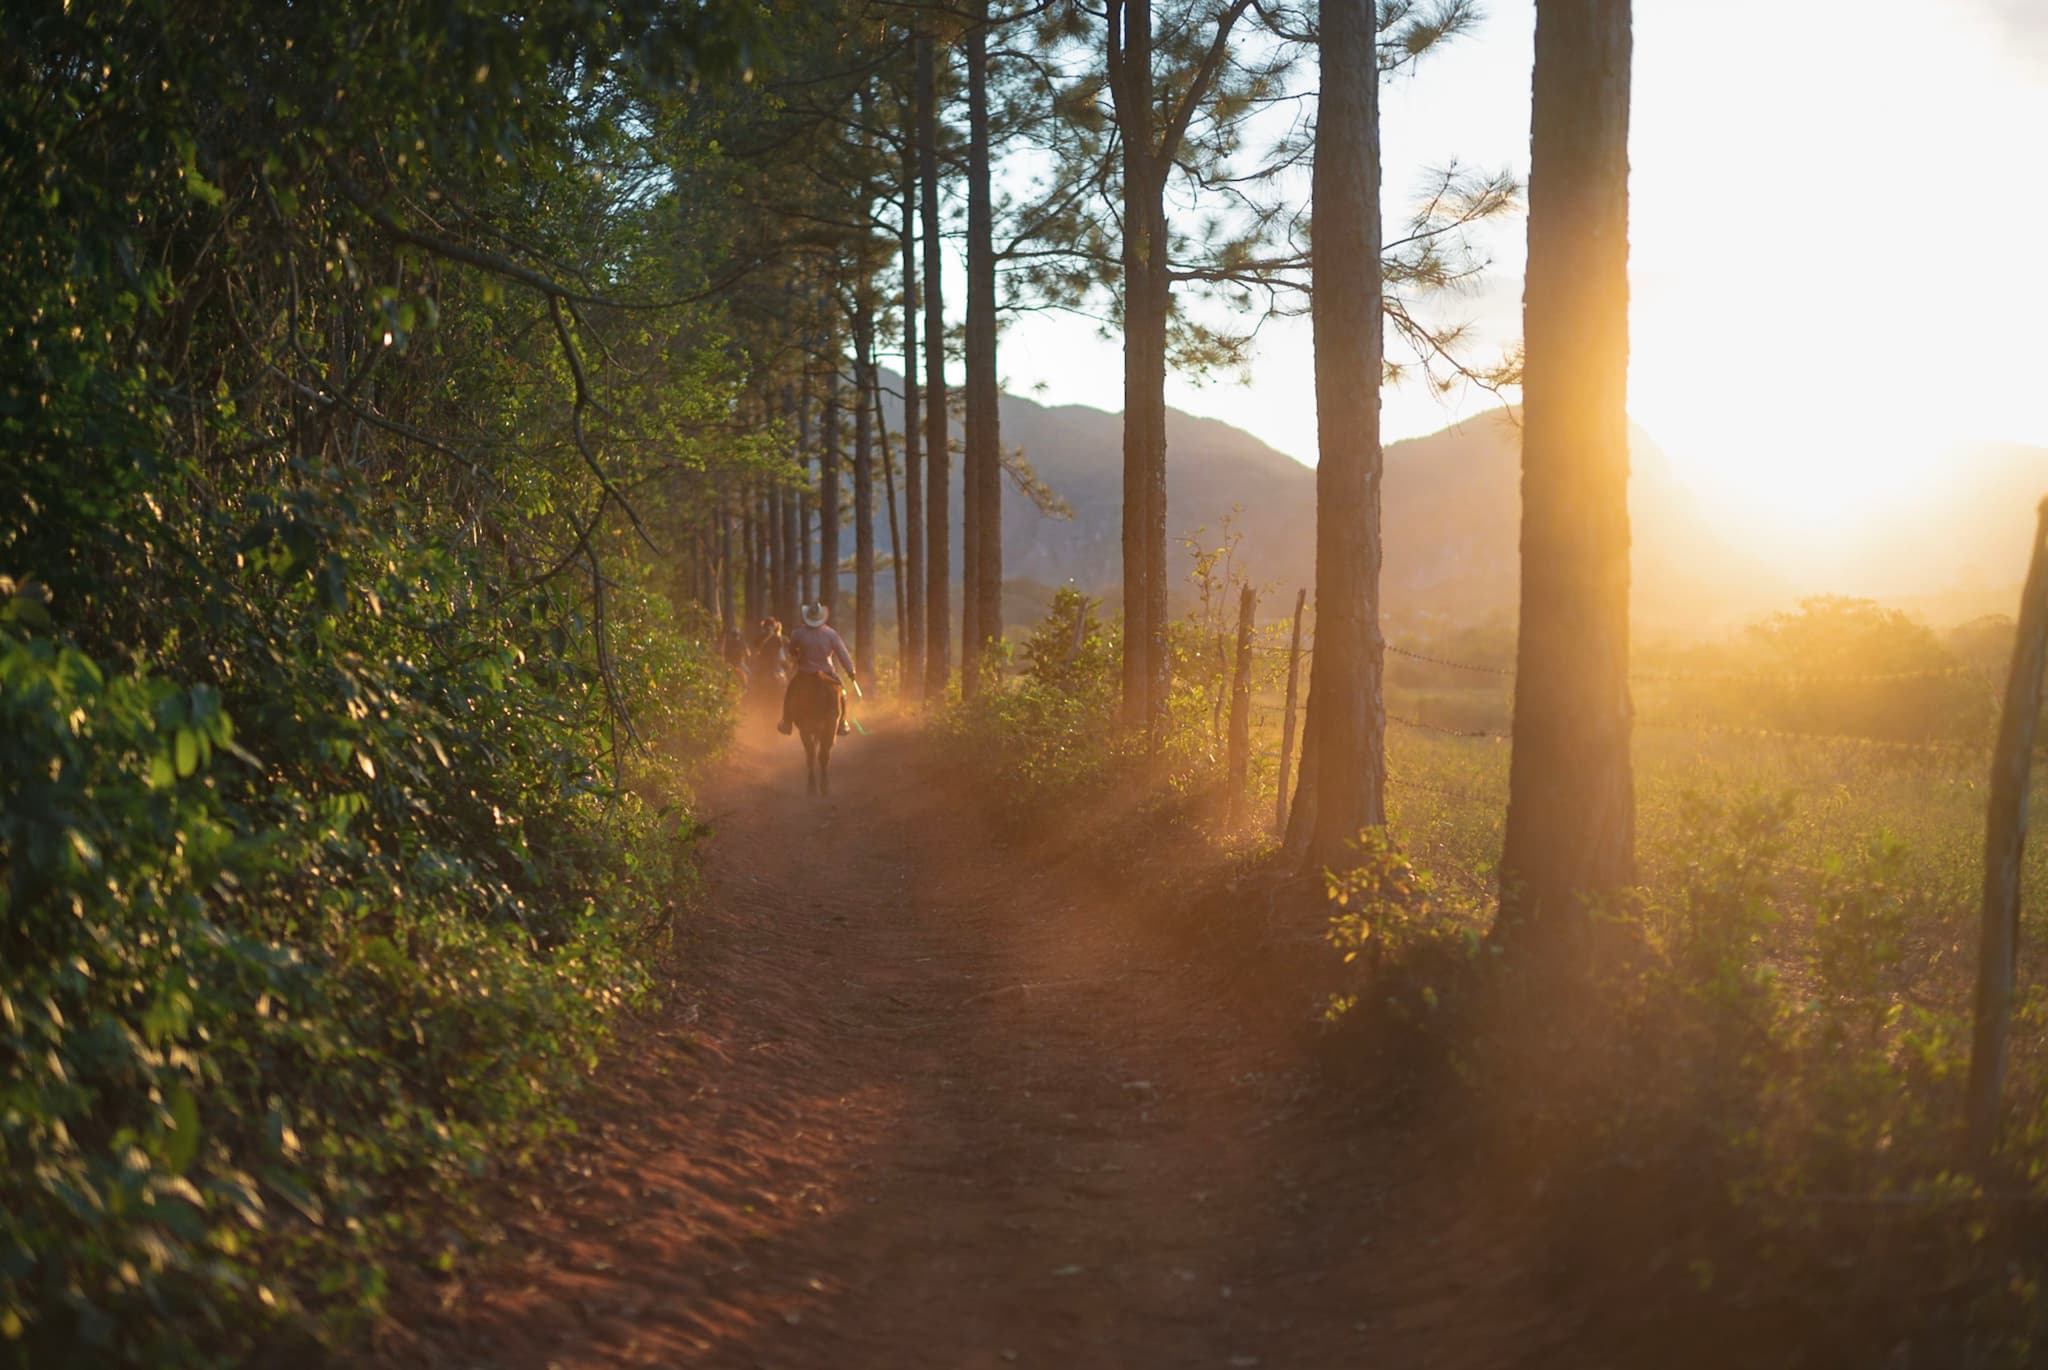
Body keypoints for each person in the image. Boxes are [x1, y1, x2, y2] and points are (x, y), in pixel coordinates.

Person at [779, 601, 857, 737]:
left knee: (790, 691)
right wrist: (851, 671)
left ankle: (786, 722)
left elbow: (792, 650)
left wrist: (797, 655)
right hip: (827, 672)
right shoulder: (831, 634)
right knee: (842, 692)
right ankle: (842, 721)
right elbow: (842, 653)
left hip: (805, 673)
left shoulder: (798, 633)